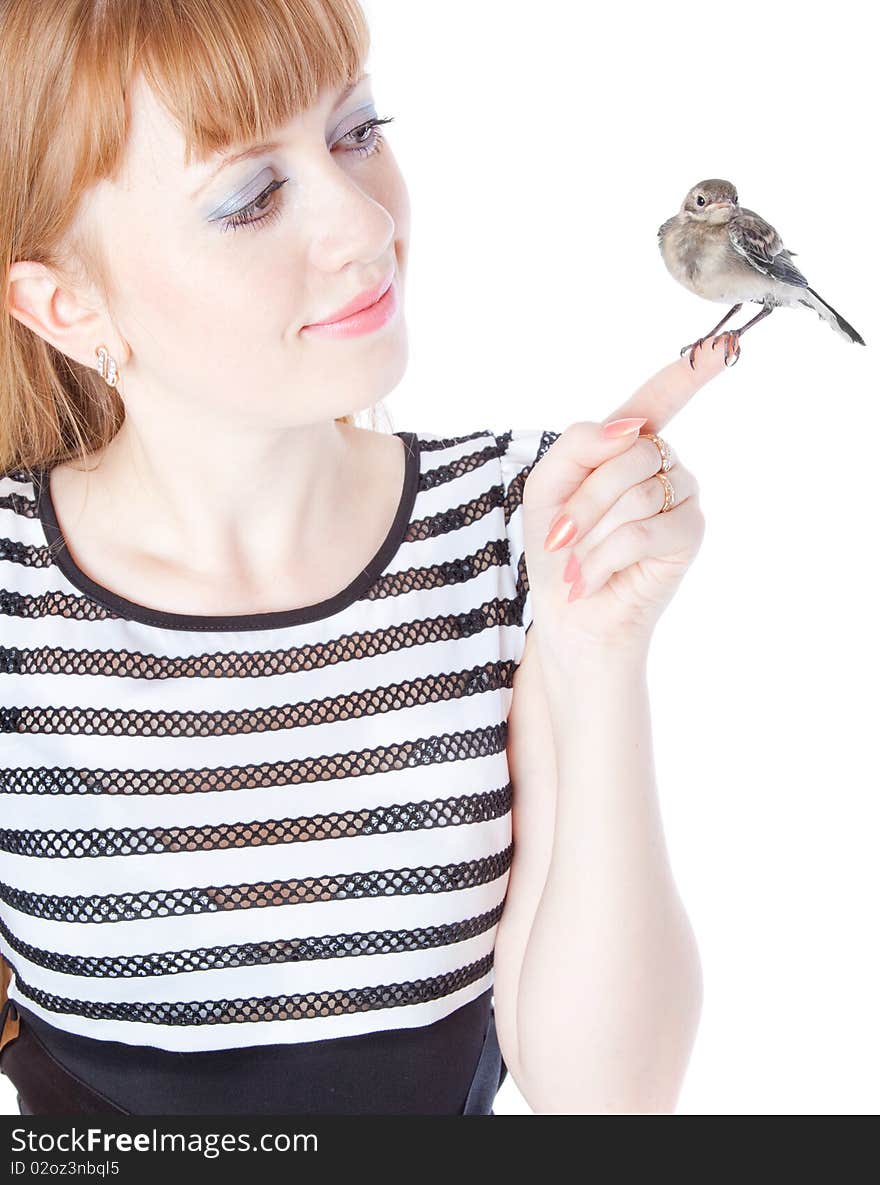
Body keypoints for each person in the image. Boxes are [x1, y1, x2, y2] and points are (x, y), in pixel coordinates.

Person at [0, 0, 712, 1116]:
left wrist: (593, 648)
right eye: (249, 199)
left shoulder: (509, 524)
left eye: (356, 131)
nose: (365, 226)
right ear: (66, 304)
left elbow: (609, 1105)